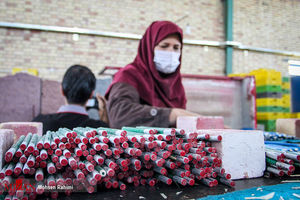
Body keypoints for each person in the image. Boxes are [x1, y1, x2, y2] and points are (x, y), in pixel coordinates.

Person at [105, 21, 198, 129]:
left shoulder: (175, 84)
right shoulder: (129, 75)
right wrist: (171, 114)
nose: (171, 52)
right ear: (149, 47)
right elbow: (120, 115)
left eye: (176, 48)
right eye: (164, 46)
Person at [33, 64, 109, 133]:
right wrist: (103, 114)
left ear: (62, 90)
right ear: (91, 95)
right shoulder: (98, 129)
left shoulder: (39, 124)